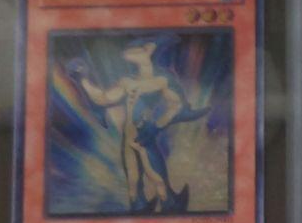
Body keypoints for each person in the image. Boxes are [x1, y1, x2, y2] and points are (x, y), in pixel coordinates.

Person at [66, 36, 209, 213]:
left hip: (144, 131)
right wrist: (83, 80)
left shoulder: (161, 80)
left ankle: (169, 203)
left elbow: (177, 106)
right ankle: (140, 206)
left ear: (149, 50)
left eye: (137, 50)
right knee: (133, 180)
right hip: (129, 133)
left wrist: (157, 126)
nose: (129, 53)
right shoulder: (128, 81)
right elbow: (103, 98)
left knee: (155, 175)